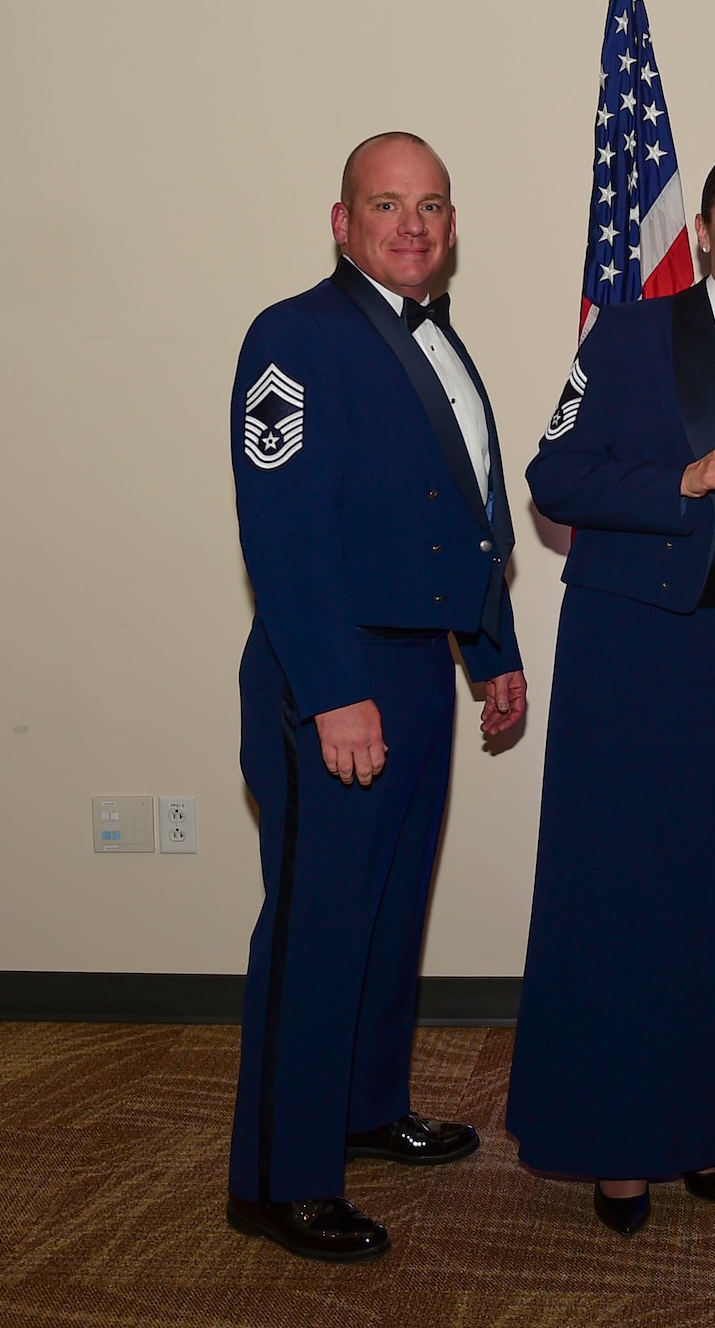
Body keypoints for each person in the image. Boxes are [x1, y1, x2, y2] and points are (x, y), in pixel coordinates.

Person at [506, 149, 715, 1237]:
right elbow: (552, 477)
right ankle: (616, 1147)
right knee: (618, 905)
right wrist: (684, 479)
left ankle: (704, 1129)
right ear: (703, 232)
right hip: (629, 653)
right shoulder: (625, 336)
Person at [224, 132, 527, 1263]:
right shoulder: (293, 338)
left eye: (432, 205)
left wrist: (488, 648)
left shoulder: (438, 339)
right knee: (318, 929)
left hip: (416, 666)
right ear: (341, 220)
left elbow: (466, 516)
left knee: (391, 911)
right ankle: (276, 1175)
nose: (412, 224)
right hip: (333, 671)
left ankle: (361, 1106)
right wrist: (335, 689)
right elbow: (285, 534)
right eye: (387, 204)